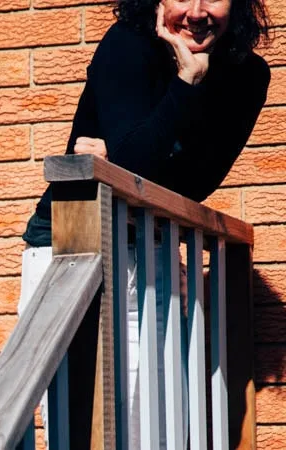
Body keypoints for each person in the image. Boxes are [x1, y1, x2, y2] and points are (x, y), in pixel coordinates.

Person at [19, 0, 270, 447]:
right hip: (74, 248)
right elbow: (141, 164)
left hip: (154, 249)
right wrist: (185, 83)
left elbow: (195, 182)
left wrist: (128, 158)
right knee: (80, 426)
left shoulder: (246, 75)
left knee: (152, 428)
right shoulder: (128, 45)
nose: (196, 12)